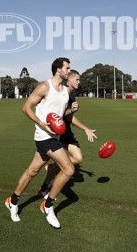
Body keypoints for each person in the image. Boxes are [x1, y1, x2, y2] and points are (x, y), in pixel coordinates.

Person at [5, 57, 75, 229]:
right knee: (69, 169)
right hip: (44, 137)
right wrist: (41, 123)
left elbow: (58, 112)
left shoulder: (65, 90)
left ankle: (12, 201)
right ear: (58, 69)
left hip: (55, 137)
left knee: (32, 171)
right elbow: (26, 107)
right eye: (67, 68)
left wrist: (70, 111)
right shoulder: (45, 87)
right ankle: (48, 205)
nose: (69, 70)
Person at [38, 70, 96, 199]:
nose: (79, 82)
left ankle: (52, 167)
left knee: (78, 158)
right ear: (69, 79)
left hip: (67, 131)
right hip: (57, 132)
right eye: (77, 80)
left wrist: (74, 114)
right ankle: (44, 188)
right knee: (35, 169)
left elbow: (69, 116)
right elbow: (62, 115)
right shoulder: (62, 92)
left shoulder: (71, 93)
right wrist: (84, 128)